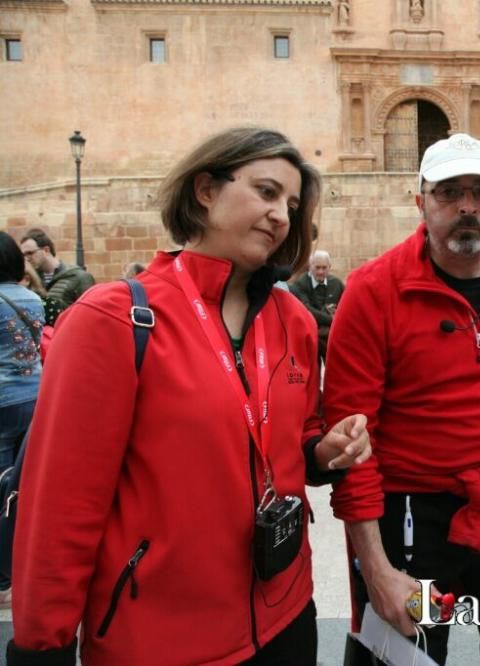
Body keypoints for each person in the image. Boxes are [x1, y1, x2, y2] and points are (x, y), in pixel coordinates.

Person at [6, 127, 372, 665]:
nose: (281, 216)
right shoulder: (113, 319)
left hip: (288, 616)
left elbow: (300, 435)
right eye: (266, 192)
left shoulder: (293, 318)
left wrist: (326, 452)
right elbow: (59, 509)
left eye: (292, 205)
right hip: (163, 640)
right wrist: (43, 646)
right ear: (204, 189)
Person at [323, 133, 480, 665]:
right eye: (448, 193)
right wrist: (377, 568)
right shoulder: (373, 291)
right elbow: (349, 444)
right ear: (420, 202)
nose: (466, 208)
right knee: (412, 658)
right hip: (414, 523)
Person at [0, 231, 44, 608]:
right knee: (19, 484)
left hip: (1, 400)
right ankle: (17, 564)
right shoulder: (31, 298)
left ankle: (0, 574)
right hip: (33, 396)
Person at [19, 228, 95, 324]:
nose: (27, 259)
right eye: (23, 255)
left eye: (30, 253)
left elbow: (90, 313)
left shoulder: (78, 277)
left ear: (46, 250)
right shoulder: (30, 280)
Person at [289, 249, 344, 364]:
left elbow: (346, 308)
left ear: (329, 267)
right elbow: (307, 311)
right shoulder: (300, 284)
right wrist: (332, 319)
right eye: (317, 267)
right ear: (310, 267)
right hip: (309, 338)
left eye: (324, 268)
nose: (320, 272)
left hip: (330, 339)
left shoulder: (337, 284)